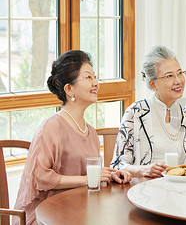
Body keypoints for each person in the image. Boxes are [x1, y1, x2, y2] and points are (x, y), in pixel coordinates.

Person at [14, 50, 131, 225]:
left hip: (78, 211)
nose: (96, 83)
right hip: (46, 215)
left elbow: (85, 172)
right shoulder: (52, 127)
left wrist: (111, 174)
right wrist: (88, 179)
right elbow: (40, 176)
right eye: (88, 78)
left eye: (95, 77)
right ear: (69, 89)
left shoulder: (90, 131)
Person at [110, 46, 186, 177]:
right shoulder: (136, 113)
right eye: (169, 76)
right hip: (142, 190)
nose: (178, 81)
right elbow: (117, 165)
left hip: (181, 190)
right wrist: (144, 170)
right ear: (153, 84)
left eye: (180, 73)